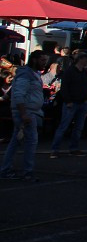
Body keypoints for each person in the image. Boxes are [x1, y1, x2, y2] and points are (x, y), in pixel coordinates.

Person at [0, 50, 47, 180]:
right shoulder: (26, 74)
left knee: (16, 141)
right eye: (42, 60)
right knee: (31, 141)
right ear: (35, 60)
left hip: (29, 111)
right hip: (26, 112)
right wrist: (23, 113)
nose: (45, 63)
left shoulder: (33, 74)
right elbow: (19, 94)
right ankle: (27, 171)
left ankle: (6, 169)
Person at [50, 51, 87, 157]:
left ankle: (74, 148)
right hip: (72, 102)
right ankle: (55, 149)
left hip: (82, 102)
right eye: (85, 59)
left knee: (78, 127)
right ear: (80, 59)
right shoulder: (70, 71)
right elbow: (64, 87)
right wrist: (68, 101)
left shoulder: (85, 73)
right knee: (64, 126)